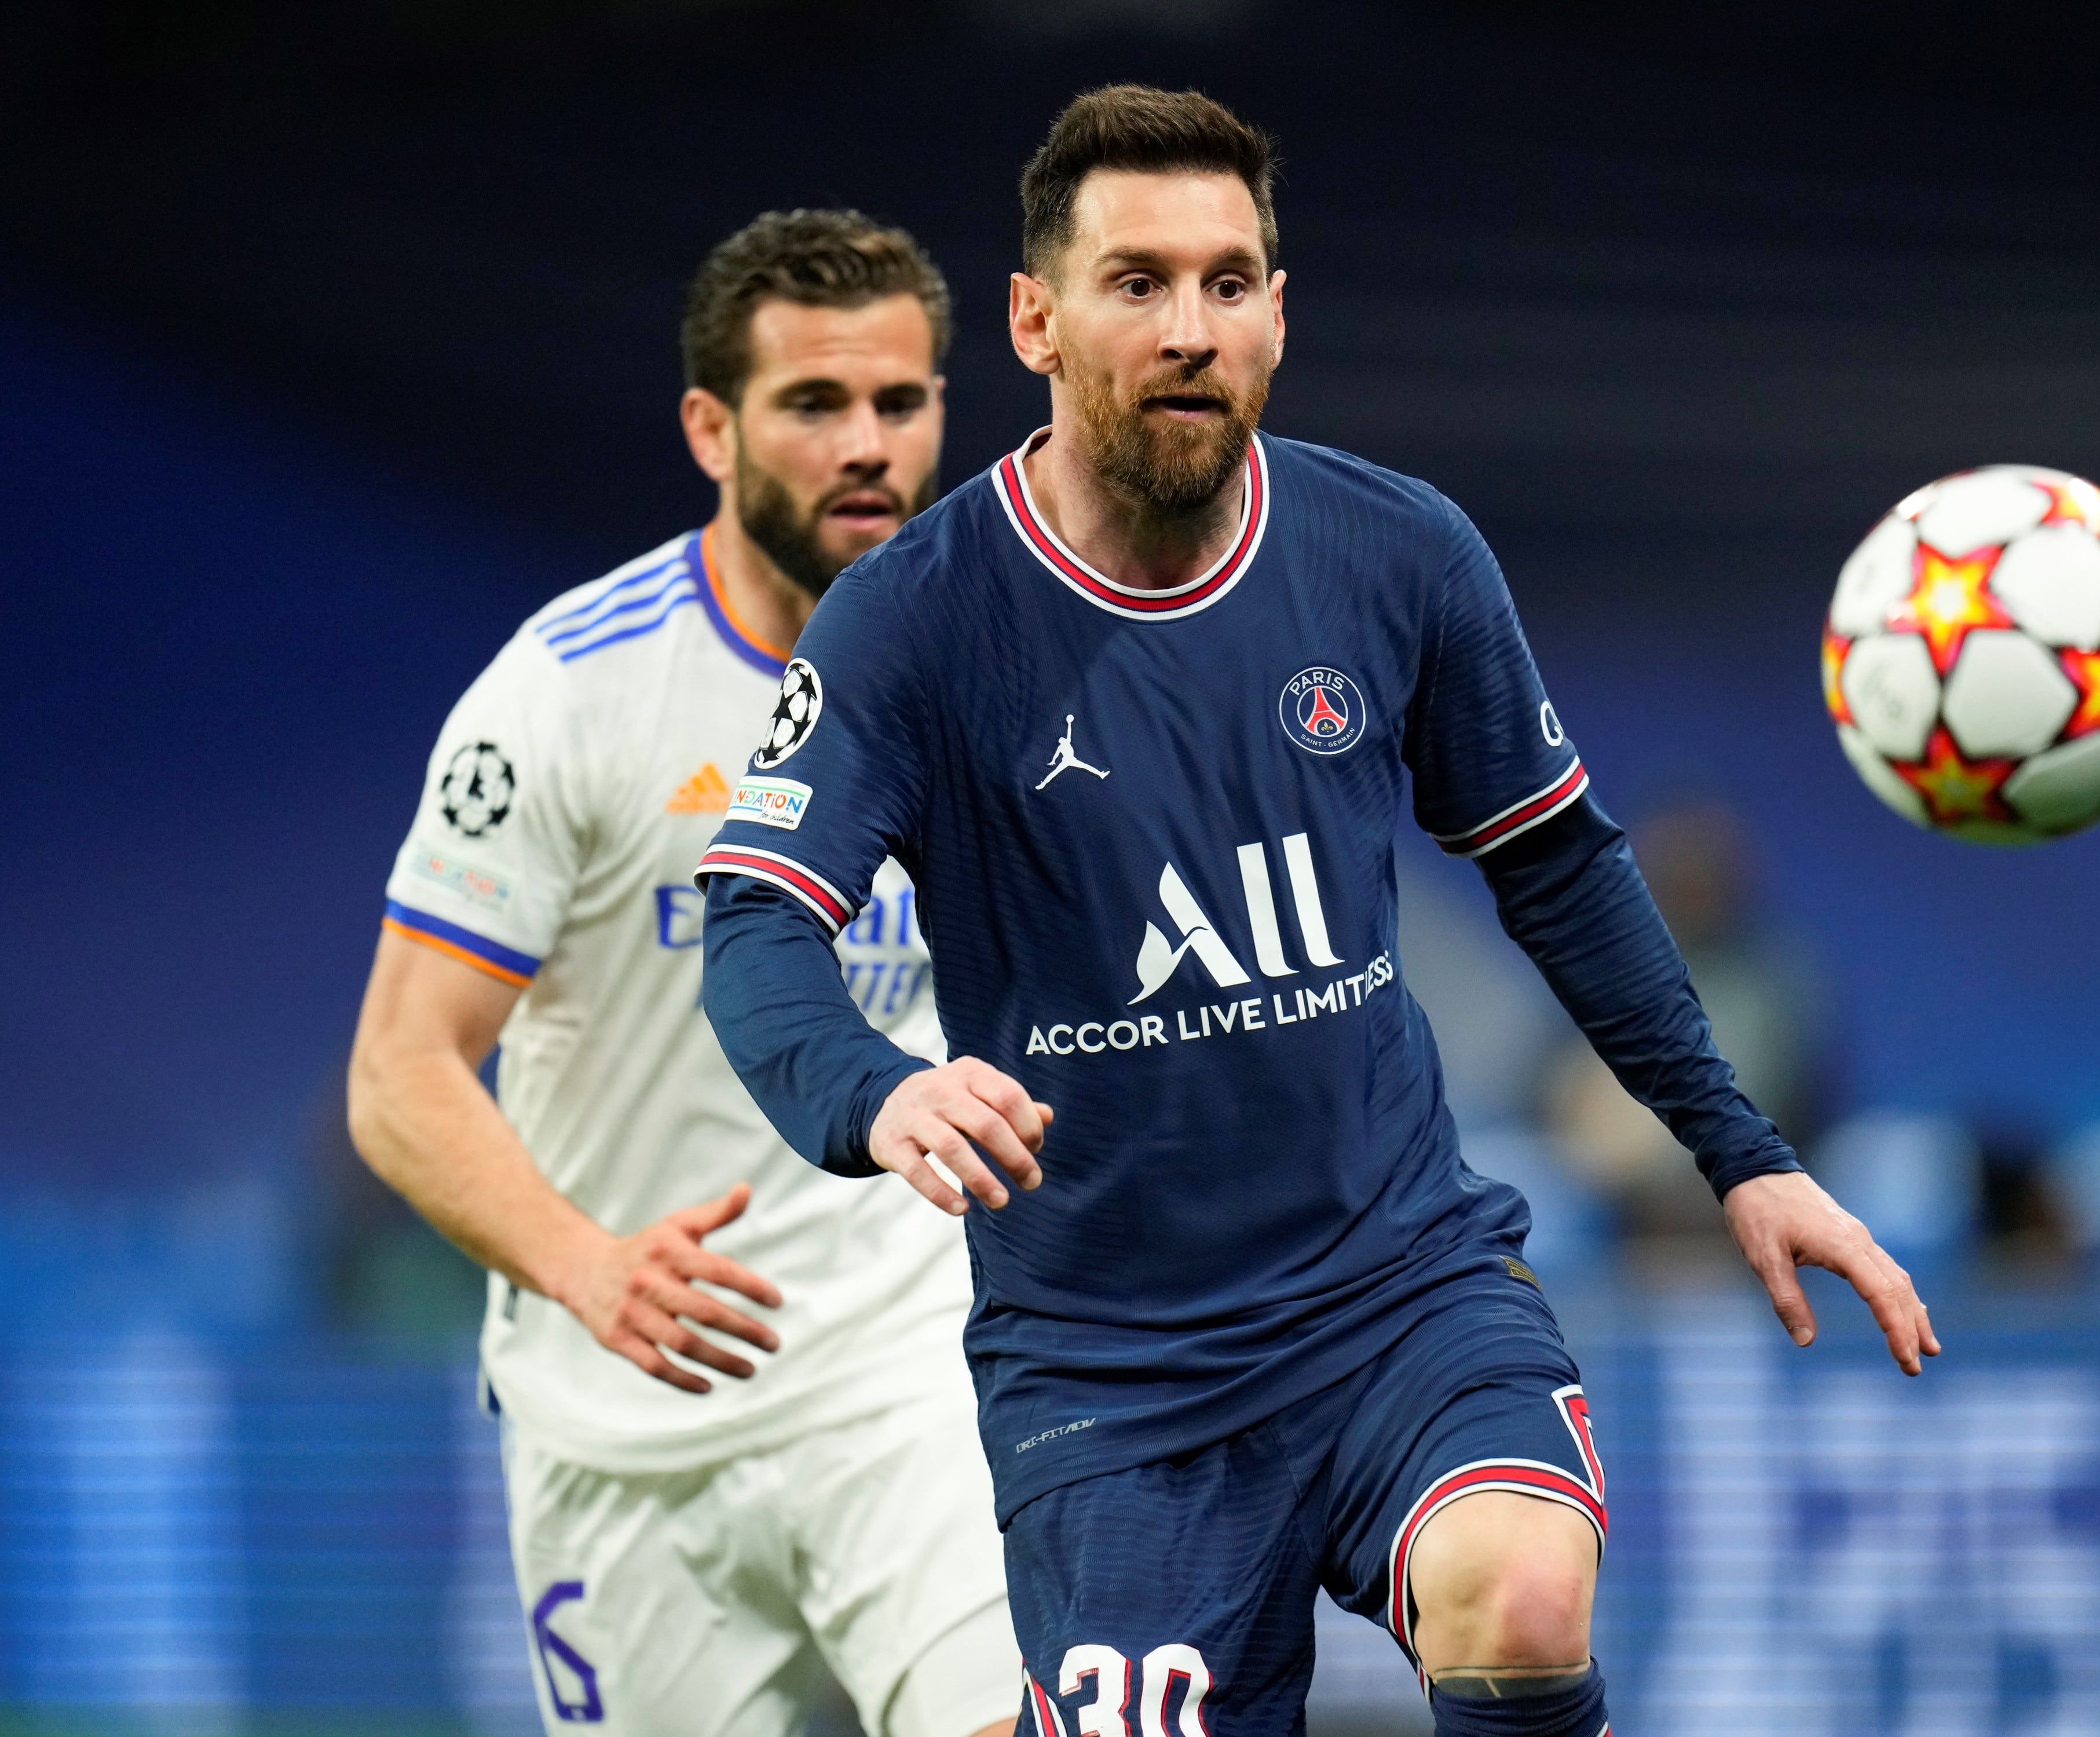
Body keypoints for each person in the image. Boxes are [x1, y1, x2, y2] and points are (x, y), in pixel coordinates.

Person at [696, 91, 1938, 1737]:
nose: (1189, 329)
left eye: (1229, 281)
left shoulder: (1396, 551)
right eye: (1134, 283)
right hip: (1111, 1380)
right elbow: (756, 929)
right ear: (1034, 322)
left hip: (1400, 1293)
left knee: (1522, 1586)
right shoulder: (910, 626)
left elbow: (1555, 865)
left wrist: (1742, 1152)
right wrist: (883, 1092)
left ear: (1279, 307)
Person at [346, 211, 1019, 1737]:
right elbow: (399, 1074)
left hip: (911, 1386)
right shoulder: (564, 699)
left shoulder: (1002, 670)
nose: (866, 445)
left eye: (898, 403)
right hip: (626, 1433)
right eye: (812, 404)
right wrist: (588, 1265)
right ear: (710, 428)